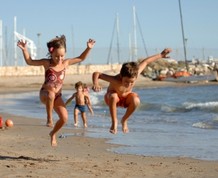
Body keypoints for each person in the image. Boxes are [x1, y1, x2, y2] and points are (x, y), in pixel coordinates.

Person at [17, 35, 95, 146]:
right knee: (51, 94)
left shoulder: (65, 63)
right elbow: (30, 61)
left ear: (65, 54)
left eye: (62, 56)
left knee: (64, 118)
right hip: (45, 94)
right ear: (51, 53)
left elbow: (81, 58)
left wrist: (89, 48)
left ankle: (53, 134)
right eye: (56, 56)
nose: (59, 59)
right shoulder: (47, 63)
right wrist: (25, 50)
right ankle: (49, 118)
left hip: (57, 96)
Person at [92, 48, 172, 134]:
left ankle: (124, 120)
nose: (129, 84)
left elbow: (145, 62)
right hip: (111, 99)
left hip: (126, 99)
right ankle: (114, 122)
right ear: (121, 76)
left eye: (132, 82)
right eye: (126, 81)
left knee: (136, 100)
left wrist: (160, 55)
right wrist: (96, 84)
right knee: (113, 96)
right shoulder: (115, 79)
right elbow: (97, 74)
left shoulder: (135, 73)